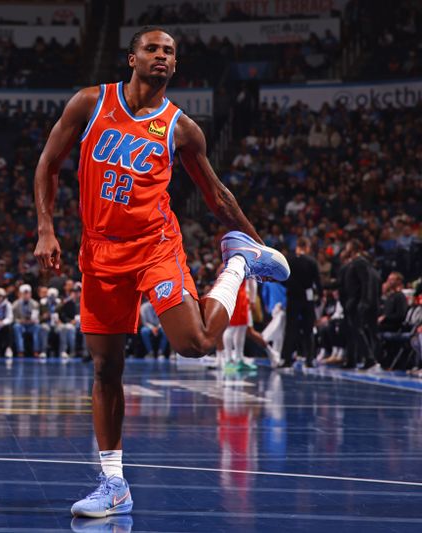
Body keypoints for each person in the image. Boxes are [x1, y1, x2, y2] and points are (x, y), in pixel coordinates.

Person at [33, 27, 290, 517]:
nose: (161, 56)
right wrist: (46, 229)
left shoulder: (182, 128)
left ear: (175, 65)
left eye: (169, 52)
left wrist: (257, 241)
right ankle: (114, 485)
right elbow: (47, 165)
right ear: (131, 57)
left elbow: (215, 194)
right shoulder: (91, 103)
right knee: (107, 368)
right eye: (152, 49)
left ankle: (239, 260)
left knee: (194, 343)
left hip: (155, 246)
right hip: (100, 252)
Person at [279, 237, 321, 368]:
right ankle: (309, 359)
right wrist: (319, 296)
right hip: (307, 299)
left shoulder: (288, 260)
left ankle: (287, 359)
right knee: (308, 329)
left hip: (293, 298)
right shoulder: (311, 261)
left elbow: (281, 278)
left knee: (290, 328)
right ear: (307, 247)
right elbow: (318, 282)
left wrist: (291, 287)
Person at [339, 240, 381, 370]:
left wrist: (364, 301)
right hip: (353, 302)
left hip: (357, 302)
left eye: (347, 246)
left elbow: (365, 283)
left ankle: (370, 359)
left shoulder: (360, 262)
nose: (345, 248)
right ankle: (353, 359)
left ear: (352, 248)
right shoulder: (354, 263)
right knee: (353, 331)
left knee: (358, 330)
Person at [12, 284, 43, 358]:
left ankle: (36, 350)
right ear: (20, 294)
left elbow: (37, 317)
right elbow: (13, 318)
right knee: (16, 327)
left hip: (31, 325)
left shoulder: (35, 304)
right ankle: (20, 351)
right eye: (24, 293)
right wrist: (20, 321)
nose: (26, 295)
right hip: (21, 324)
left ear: (30, 294)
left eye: (27, 293)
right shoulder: (15, 304)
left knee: (37, 327)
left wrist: (33, 321)